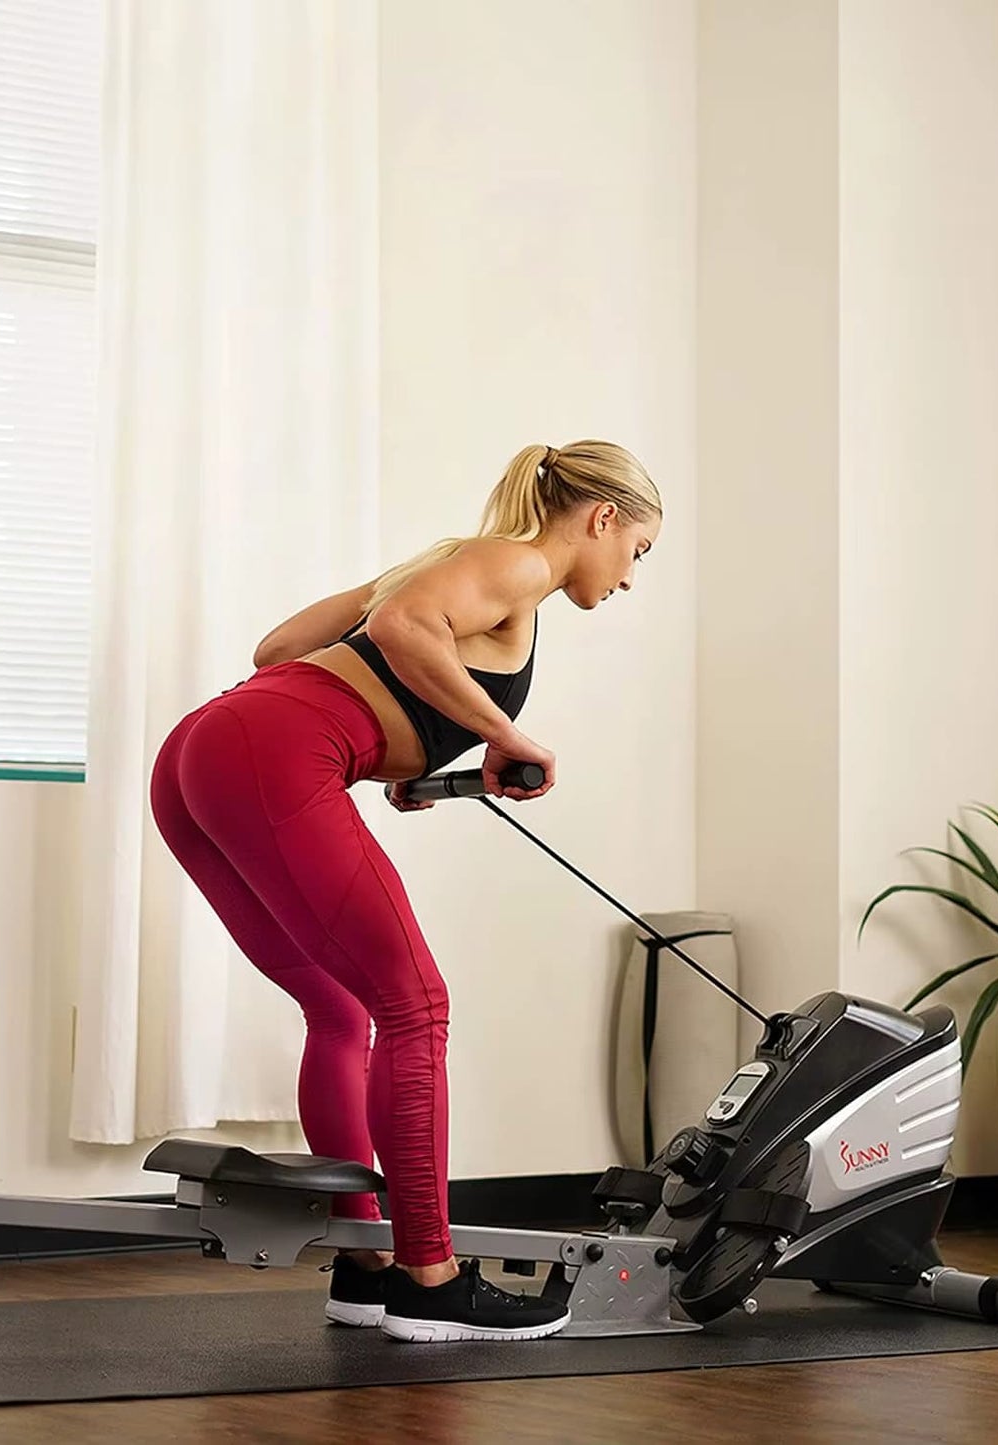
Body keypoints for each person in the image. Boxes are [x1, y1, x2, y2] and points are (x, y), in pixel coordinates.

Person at [149, 440, 662, 1343]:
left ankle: (365, 1259)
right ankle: (431, 1276)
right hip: (272, 750)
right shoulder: (517, 562)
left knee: (341, 1009)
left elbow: (281, 650)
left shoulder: (438, 562)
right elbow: (398, 634)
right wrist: (504, 732)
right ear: (603, 517)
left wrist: (401, 747)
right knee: (414, 1005)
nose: (628, 578)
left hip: (204, 751)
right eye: (637, 552)